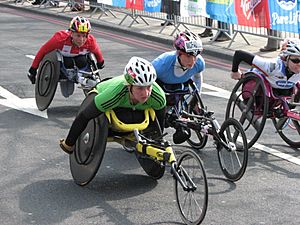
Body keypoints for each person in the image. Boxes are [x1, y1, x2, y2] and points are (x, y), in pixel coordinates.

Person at [59, 56, 166, 154]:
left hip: (133, 111)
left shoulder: (158, 96)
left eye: (149, 87)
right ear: (129, 86)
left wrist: (157, 144)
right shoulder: (113, 95)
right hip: (107, 93)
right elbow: (84, 116)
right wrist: (69, 144)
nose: (146, 93)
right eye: (140, 88)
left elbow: (159, 126)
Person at [151, 30, 205, 143]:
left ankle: (179, 125)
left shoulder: (199, 63)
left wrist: (195, 99)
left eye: (196, 55)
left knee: (183, 133)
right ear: (179, 53)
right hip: (159, 84)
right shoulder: (162, 64)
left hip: (179, 88)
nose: (193, 60)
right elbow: (147, 81)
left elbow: (198, 78)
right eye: (189, 55)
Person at [27, 16, 105, 85]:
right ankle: (69, 74)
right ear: (71, 33)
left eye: (84, 36)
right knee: (68, 62)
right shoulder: (59, 39)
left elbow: (97, 53)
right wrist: (33, 70)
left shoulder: (90, 41)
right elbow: (43, 51)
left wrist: (100, 62)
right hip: (64, 62)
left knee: (82, 61)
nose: (81, 39)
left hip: (81, 59)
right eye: (78, 35)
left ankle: (83, 75)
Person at [231, 38, 300, 96]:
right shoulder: (271, 66)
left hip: (282, 89)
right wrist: (235, 71)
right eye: (296, 60)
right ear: (285, 59)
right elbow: (239, 54)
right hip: (256, 89)